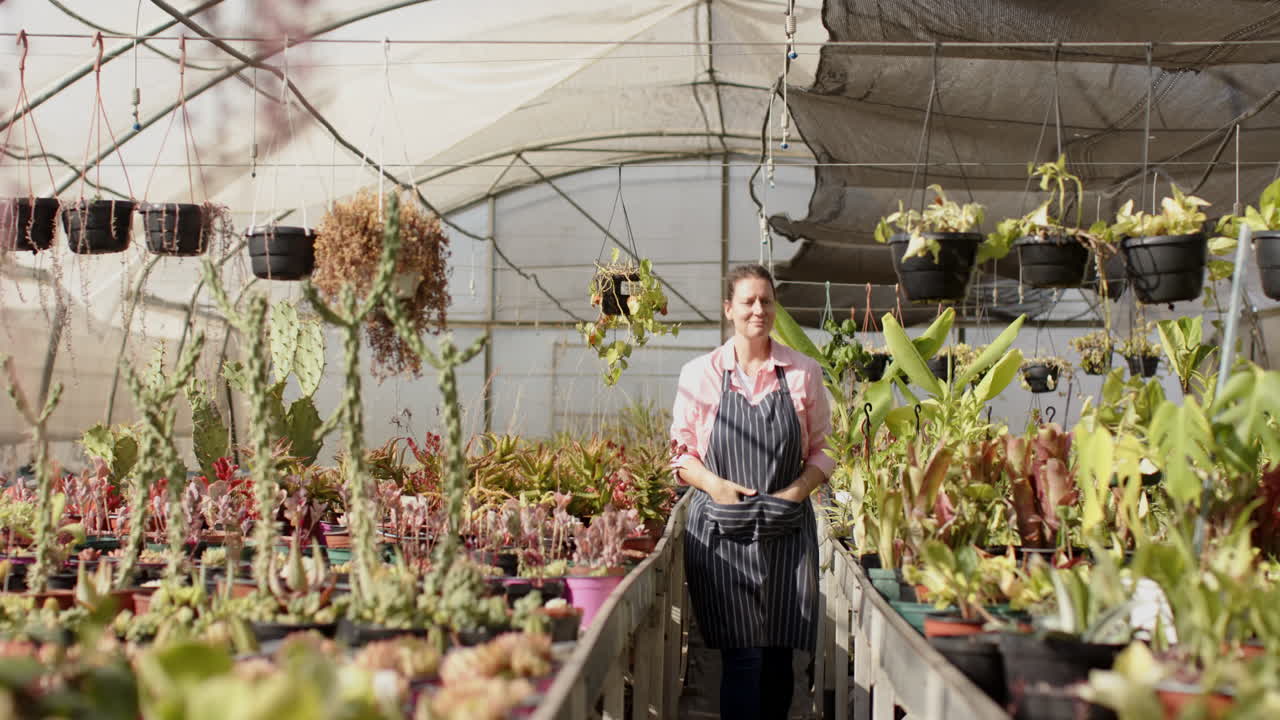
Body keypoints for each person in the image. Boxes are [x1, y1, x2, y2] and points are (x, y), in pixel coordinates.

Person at [670, 264, 833, 720]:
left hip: (786, 531)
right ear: (729, 309)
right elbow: (680, 454)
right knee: (744, 657)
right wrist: (716, 486)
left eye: (766, 300)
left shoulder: (802, 372)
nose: (758, 310)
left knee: (781, 658)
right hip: (724, 533)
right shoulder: (700, 374)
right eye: (748, 301)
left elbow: (824, 450)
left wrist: (795, 493)